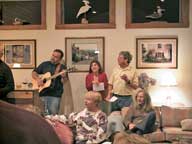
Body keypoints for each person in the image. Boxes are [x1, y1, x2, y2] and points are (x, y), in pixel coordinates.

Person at [32, 49, 67, 115]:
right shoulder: (44, 64)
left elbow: (63, 81)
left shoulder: (62, 67)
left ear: (60, 59)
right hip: (42, 93)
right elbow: (34, 72)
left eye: (56, 57)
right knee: (41, 115)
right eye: (53, 55)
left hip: (55, 95)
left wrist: (64, 76)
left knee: (53, 116)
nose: (53, 57)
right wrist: (38, 79)